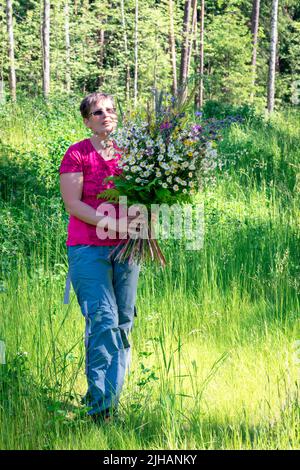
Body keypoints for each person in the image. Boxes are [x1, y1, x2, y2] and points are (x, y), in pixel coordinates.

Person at [59, 92, 146, 424]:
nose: (106, 115)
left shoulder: (135, 154)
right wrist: (117, 223)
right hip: (88, 249)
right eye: (98, 112)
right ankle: (101, 412)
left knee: (123, 324)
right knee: (103, 322)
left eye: (110, 110)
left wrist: (142, 217)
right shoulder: (77, 154)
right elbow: (74, 205)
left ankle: (105, 398)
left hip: (126, 250)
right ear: (86, 120)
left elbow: (143, 196)